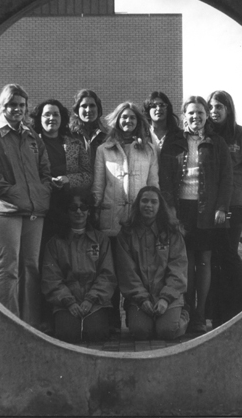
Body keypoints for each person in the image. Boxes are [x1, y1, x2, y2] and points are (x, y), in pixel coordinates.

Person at [0, 84, 52, 328]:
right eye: (12, 105)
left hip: (34, 211)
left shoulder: (32, 136)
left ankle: (29, 324)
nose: (17, 109)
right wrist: (18, 195)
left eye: (21, 105)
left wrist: (40, 194)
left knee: (30, 266)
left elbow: (45, 172)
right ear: (2, 106)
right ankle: (4, 323)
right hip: (7, 211)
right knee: (8, 267)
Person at [159, 95, 233, 334]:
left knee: (204, 262)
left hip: (207, 211)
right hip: (182, 210)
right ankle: (187, 312)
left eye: (200, 113)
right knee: (186, 262)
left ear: (205, 115)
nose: (196, 117)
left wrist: (221, 207)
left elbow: (226, 178)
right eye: (191, 113)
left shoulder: (216, 142)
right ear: (184, 116)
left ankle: (201, 315)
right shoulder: (174, 141)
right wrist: (170, 209)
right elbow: (165, 178)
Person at [92, 101, 160, 332]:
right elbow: (99, 185)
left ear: (138, 121)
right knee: (110, 272)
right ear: (117, 121)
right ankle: (111, 322)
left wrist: (152, 214)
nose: (128, 122)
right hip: (111, 218)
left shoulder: (148, 150)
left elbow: (153, 185)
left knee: (135, 270)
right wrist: (95, 209)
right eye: (123, 118)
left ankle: (135, 317)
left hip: (137, 221)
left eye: (132, 118)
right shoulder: (104, 149)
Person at [207, 90, 242, 326]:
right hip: (210, 206)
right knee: (214, 258)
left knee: (229, 255)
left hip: (235, 204)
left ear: (228, 109)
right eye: (211, 107)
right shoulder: (207, 136)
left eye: (219, 107)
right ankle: (222, 312)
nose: (214, 112)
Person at [41, 189, 117, 343]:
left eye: (83, 207)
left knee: (96, 334)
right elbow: (51, 278)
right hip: (66, 303)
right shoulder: (55, 243)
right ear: (67, 212)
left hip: (95, 302)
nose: (78, 211)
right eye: (73, 208)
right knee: (67, 335)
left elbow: (107, 275)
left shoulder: (101, 240)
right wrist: (69, 301)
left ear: (89, 211)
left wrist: (90, 299)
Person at [116, 186, 189, 340]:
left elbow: (178, 268)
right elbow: (127, 273)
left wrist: (165, 298)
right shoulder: (126, 234)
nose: (148, 205)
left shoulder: (173, 233)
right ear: (138, 204)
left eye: (153, 202)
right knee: (141, 332)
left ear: (160, 206)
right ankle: (138, 318)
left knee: (167, 331)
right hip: (139, 298)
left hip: (168, 295)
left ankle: (182, 313)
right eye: (144, 201)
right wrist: (142, 300)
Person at [30, 99, 92, 246]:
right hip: (40, 208)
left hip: (67, 209)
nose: (52, 118)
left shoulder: (75, 144)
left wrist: (67, 179)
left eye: (56, 115)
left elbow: (88, 175)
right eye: (47, 115)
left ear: (62, 118)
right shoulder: (30, 144)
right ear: (39, 118)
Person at [70, 89, 108, 168]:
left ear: (98, 109)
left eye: (92, 105)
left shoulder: (107, 136)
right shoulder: (68, 135)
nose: (88, 110)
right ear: (77, 110)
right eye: (84, 106)